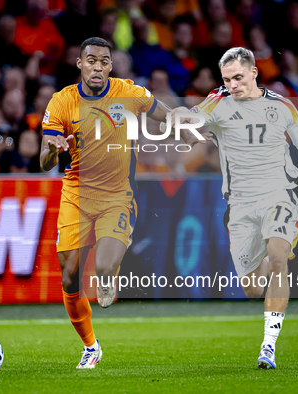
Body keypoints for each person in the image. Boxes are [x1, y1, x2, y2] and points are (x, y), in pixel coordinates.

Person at [39, 37, 201, 369]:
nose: (97, 66)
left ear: (110, 66)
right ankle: (90, 347)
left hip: (117, 196)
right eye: (91, 60)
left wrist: (182, 129)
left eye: (103, 61)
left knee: (102, 268)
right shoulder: (61, 102)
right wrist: (52, 150)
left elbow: (163, 113)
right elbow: (44, 162)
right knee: (69, 276)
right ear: (80, 64)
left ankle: (109, 275)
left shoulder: (129, 92)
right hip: (76, 195)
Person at [184, 47, 298, 369]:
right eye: (227, 79)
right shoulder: (218, 100)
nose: (233, 85)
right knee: (252, 288)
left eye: (238, 77)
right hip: (239, 204)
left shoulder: (281, 106)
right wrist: (192, 131)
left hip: (278, 195)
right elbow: (189, 119)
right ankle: (268, 255)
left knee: (279, 259)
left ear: (254, 72)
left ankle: (268, 346)